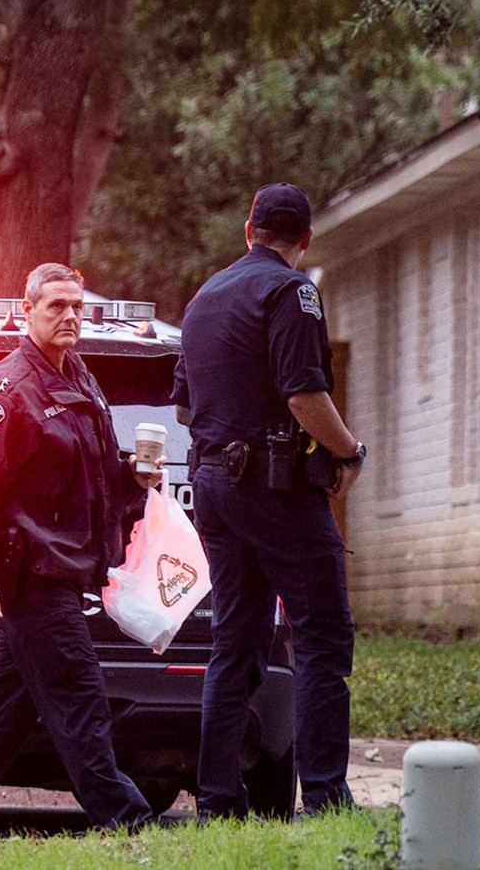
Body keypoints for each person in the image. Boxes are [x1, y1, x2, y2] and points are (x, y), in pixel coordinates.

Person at [0, 263, 159, 839]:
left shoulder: (78, 376)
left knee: (3, 712)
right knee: (80, 698)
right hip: (30, 576)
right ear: (27, 312)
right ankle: (127, 821)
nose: (71, 316)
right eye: (55, 306)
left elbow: (89, 478)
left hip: (62, 572)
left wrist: (133, 479)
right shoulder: (9, 389)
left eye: (77, 306)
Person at [172, 182, 368, 820]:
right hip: (276, 489)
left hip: (214, 487)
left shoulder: (203, 299)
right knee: (321, 637)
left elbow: (184, 403)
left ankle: (217, 800)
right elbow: (304, 397)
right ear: (304, 240)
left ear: (247, 230)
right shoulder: (294, 292)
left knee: (235, 640)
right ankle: (327, 797)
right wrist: (348, 452)